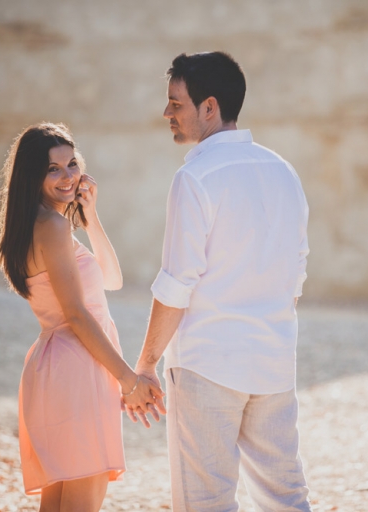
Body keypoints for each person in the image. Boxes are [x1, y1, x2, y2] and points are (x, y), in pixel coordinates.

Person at [126, 52, 312, 511]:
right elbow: (296, 275)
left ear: (209, 107)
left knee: (205, 501)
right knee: (285, 496)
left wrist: (145, 364)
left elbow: (175, 284)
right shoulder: (284, 172)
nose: (167, 113)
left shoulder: (195, 177)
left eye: (176, 103)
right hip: (273, 361)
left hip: (207, 365)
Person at [0, 123, 162, 511]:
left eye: (71, 164)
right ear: (32, 175)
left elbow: (112, 280)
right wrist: (128, 380)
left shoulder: (42, 224)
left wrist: (90, 216)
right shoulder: (50, 226)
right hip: (78, 371)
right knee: (81, 503)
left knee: (60, 504)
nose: (68, 176)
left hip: (60, 369)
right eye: (53, 168)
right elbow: (77, 315)